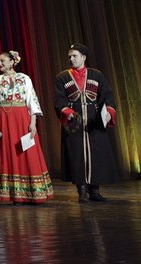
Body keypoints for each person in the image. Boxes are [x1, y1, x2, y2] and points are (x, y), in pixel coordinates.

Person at [54, 43, 117, 203]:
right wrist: (67, 112)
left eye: (74, 56)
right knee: (77, 156)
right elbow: (59, 100)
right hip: (74, 122)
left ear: (83, 57)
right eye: (70, 56)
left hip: (94, 120)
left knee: (96, 155)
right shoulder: (62, 77)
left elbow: (107, 96)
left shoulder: (97, 75)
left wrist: (109, 112)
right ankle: (82, 191)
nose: (71, 59)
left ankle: (94, 191)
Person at [0, 51, 53, 204]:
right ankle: (15, 194)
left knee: (28, 153)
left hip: (23, 119)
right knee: (9, 154)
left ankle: (33, 193)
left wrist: (33, 123)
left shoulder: (24, 78)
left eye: (2, 61)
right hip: (5, 120)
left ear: (12, 62)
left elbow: (32, 100)